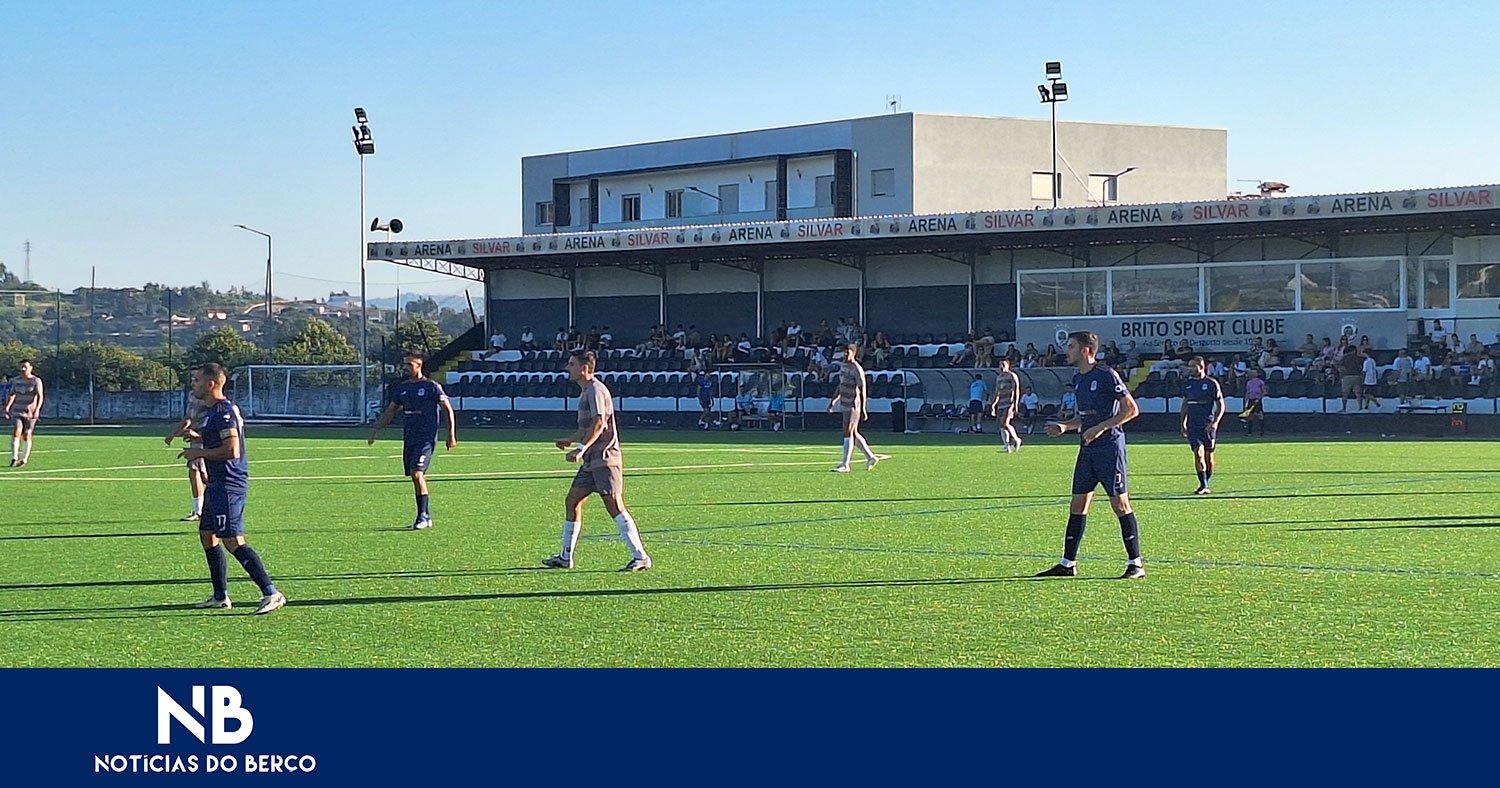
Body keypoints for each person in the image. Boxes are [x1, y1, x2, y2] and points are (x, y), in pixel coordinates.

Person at [1035, 331, 1146, 580]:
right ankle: (1067, 563)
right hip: (1087, 450)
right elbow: (1085, 418)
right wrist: (1066, 426)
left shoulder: (1106, 375)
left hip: (1109, 449)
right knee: (1078, 505)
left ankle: (1136, 564)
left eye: (1071, 346)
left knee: (1120, 504)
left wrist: (1100, 427)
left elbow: (1131, 410)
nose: (1067, 351)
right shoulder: (1078, 379)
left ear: (1086, 350)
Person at [180, 363, 286, 614]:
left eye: (196, 380)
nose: (193, 384)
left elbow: (232, 450)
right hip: (217, 483)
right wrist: (198, 438)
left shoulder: (223, 411)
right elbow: (221, 438)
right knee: (207, 534)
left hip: (228, 483)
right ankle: (220, 596)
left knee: (232, 539)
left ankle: (271, 592)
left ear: (211, 384)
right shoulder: (215, 412)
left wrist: (199, 451)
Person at [543, 350, 651, 571]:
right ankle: (566, 556)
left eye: (571, 364)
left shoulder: (595, 390)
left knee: (615, 506)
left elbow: (600, 423)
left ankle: (641, 557)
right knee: (572, 501)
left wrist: (580, 449)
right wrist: (571, 439)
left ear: (584, 368)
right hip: (592, 461)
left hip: (605, 459)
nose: (567, 368)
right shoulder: (585, 392)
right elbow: (587, 427)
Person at [368, 352, 458, 530]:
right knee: (413, 475)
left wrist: (451, 435)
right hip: (409, 437)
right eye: (405, 364)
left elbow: (448, 410)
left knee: (417, 473)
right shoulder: (403, 388)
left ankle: (423, 516)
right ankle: (425, 516)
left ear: (419, 365)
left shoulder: (432, 386)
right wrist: (376, 429)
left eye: (410, 364)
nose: (406, 367)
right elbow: (391, 411)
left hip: (426, 438)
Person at [826, 344, 878, 472]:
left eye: (847, 353)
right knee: (853, 433)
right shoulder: (843, 367)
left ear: (853, 353)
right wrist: (834, 401)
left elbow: (862, 389)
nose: (844, 355)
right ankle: (871, 457)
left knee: (847, 431)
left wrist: (864, 408)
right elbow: (841, 385)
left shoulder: (856, 368)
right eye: (843, 353)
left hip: (854, 404)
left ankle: (845, 464)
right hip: (844, 402)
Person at [165, 390, 212, 521]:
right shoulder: (193, 396)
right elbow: (188, 419)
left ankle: (200, 511)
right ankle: (200, 510)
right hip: (194, 439)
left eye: (196, 379)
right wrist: (174, 433)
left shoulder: (210, 398)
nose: (194, 382)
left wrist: (200, 435)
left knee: (200, 474)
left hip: (205, 438)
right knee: (197, 473)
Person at [1179, 356, 1224, 495]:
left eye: (1193, 366)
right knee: (1198, 454)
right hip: (1193, 425)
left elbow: (1221, 404)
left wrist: (1215, 422)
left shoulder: (1211, 383)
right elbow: (1185, 404)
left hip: (1207, 425)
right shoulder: (1188, 384)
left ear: (1201, 367)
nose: (1190, 369)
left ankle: (1206, 480)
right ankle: (1203, 485)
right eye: (1189, 366)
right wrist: (1182, 423)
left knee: (1208, 455)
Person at [5, 359, 44, 467]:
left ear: (30, 368)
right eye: (21, 367)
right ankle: (14, 457)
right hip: (17, 410)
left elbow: (40, 396)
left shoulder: (36, 381)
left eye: (25, 367)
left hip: (30, 413)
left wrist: (37, 410)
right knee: (16, 431)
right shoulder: (16, 381)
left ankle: (24, 459)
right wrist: (7, 407)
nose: (23, 369)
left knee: (26, 435)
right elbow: (12, 394)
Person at [987, 358, 1022, 453]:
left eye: (1003, 365)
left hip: (1009, 403)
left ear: (1008, 365)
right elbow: (997, 391)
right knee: (1002, 425)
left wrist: (1016, 404)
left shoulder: (1012, 376)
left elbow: (1017, 390)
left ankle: (1016, 439)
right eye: (1000, 365)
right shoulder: (999, 377)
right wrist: (993, 404)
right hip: (1001, 403)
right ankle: (1007, 445)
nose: (1001, 367)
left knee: (1005, 422)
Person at [1241, 368, 1267, 436]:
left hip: (1257, 400)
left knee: (1260, 415)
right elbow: (1247, 392)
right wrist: (1246, 401)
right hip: (1251, 400)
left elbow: (1264, 391)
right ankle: (1249, 432)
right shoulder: (1249, 382)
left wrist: (1260, 397)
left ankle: (1262, 432)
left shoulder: (1261, 382)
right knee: (1250, 416)